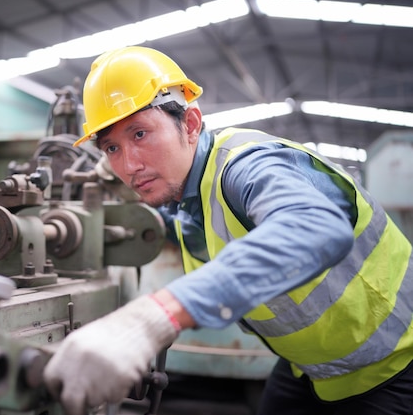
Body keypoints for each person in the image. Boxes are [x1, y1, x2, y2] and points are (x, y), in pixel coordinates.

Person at [43, 46, 413, 415]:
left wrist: (155, 316)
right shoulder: (188, 200)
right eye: (112, 147)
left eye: (139, 134)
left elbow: (316, 226)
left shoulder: (245, 166)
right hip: (311, 368)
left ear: (189, 124)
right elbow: (181, 229)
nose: (129, 166)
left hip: (394, 363)